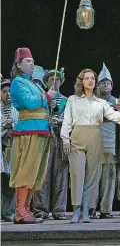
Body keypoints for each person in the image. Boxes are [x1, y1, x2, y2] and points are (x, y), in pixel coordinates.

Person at [61, 68, 120, 223]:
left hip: (95, 136)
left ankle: (86, 209)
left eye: (93, 78)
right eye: (87, 78)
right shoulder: (73, 99)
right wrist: (65, 139)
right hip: (78, 135)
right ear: (81, 81)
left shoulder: (101, 103)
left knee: (92, 176)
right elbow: (67, 120)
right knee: (78, 175)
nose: (90, 80)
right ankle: (76, 210)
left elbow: (115, 116)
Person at [9, 47, 57, 224]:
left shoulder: (34, 84)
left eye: (32, 61)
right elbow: (30, 102)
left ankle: (26, 209)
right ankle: (20, 210)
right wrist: (47, 96)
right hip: (28, 130)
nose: (32, 63)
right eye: (28, 61)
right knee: (26, 170)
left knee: (36, 172)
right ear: (19, 64)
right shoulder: (17, 82)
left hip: (41, 129)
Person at [33, 69, 69, 220]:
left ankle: (59, 210)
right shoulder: (42, 98)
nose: (55, 82)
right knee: (42, 174)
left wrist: (61, 122)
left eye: (57, 79)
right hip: (45, 137)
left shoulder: (67, 101)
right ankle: (40, 210)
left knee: (60, 175)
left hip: (60, 139)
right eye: (51, 79)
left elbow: (71, 120)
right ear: (46, 82)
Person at [91, 64, 120, 219]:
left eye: (108, 83)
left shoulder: (117, 101)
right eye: (102, 82)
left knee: (109, 179)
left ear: (112, 85)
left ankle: (105, 209)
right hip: (95, 144)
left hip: (111, 145)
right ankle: (90, 208)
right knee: (93, 178)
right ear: (98, 85)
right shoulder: (93, 100)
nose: (105, 85)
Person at [1, 78, 18, 222]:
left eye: (10, 91)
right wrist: (3, 127)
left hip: (12, 150)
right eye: (4, 91)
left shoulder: (17, 111)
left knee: (10, 184)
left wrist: (12, 127)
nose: (7, 94)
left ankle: (8, 212)